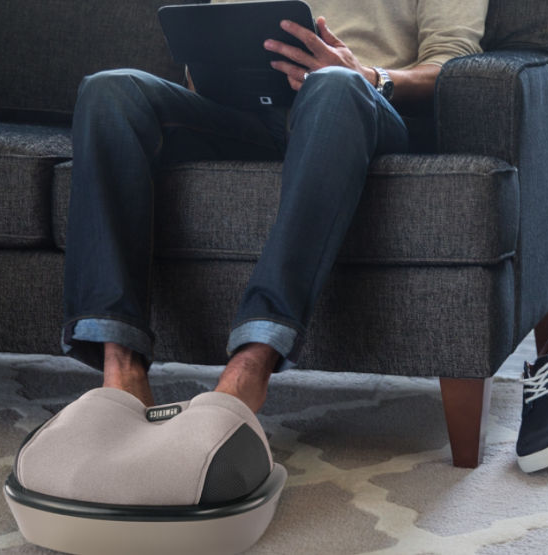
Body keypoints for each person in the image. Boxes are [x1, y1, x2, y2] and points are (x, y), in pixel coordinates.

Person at [61, 0, 489, 412]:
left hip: (360, 108)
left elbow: (452, 67)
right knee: (110, 89)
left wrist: (370, 75)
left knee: (335, 84)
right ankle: (121, 369)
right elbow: (209, 52)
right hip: (249, 116)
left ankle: (251, 364)